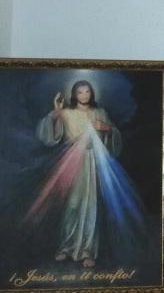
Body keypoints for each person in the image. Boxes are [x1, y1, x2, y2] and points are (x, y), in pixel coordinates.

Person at [25, 80, 141, 268]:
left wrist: (108, 129)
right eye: (80, 92)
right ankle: (66, 247)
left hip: (93, 163)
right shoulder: (67, 113)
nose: (84, 95)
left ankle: (88, 250)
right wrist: (56, 112)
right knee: (71, 205)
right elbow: (46, 134)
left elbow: (114, 136)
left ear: (92, 94)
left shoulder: (100, 113)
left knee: (91, 206)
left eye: (87, 91)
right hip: (71, 163)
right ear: (74, 94)